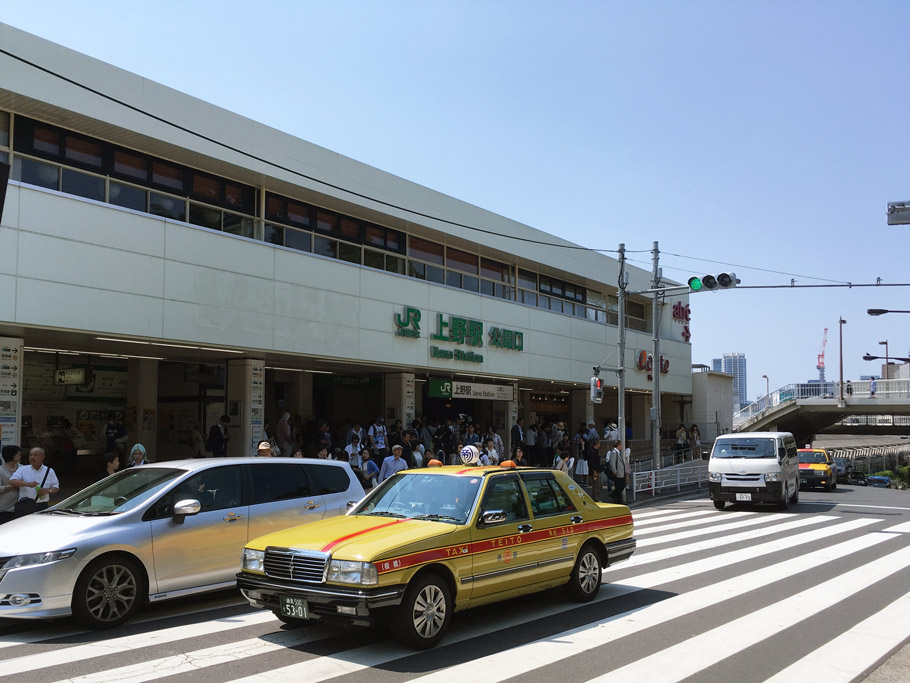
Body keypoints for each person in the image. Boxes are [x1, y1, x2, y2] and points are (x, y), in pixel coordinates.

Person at [10, 447, 60, 513]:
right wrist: (28, 484)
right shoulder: (23, 469)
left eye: (35, 455)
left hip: (42, 505)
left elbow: (56, 487)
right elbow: (12, 481)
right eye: (30, 455)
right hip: (25, 505)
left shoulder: (49, 471)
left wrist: (48, 490)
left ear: (43, 457)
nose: (32, 457)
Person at [0, 445, 22, 524]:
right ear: (11, 455)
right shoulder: (1, 470)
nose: (20, 456)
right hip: (4, 508)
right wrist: (13, 485)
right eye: (18, 454)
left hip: (21, 507)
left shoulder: (22, 468)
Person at [585, 438, 604, 502]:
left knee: (598, 484)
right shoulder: (592, 452)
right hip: (594, 471)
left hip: (596, 469)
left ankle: (596, 497)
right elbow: (591, 462)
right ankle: (595, 498)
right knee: (596, 484)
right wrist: (594, 471)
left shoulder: (594, 451)